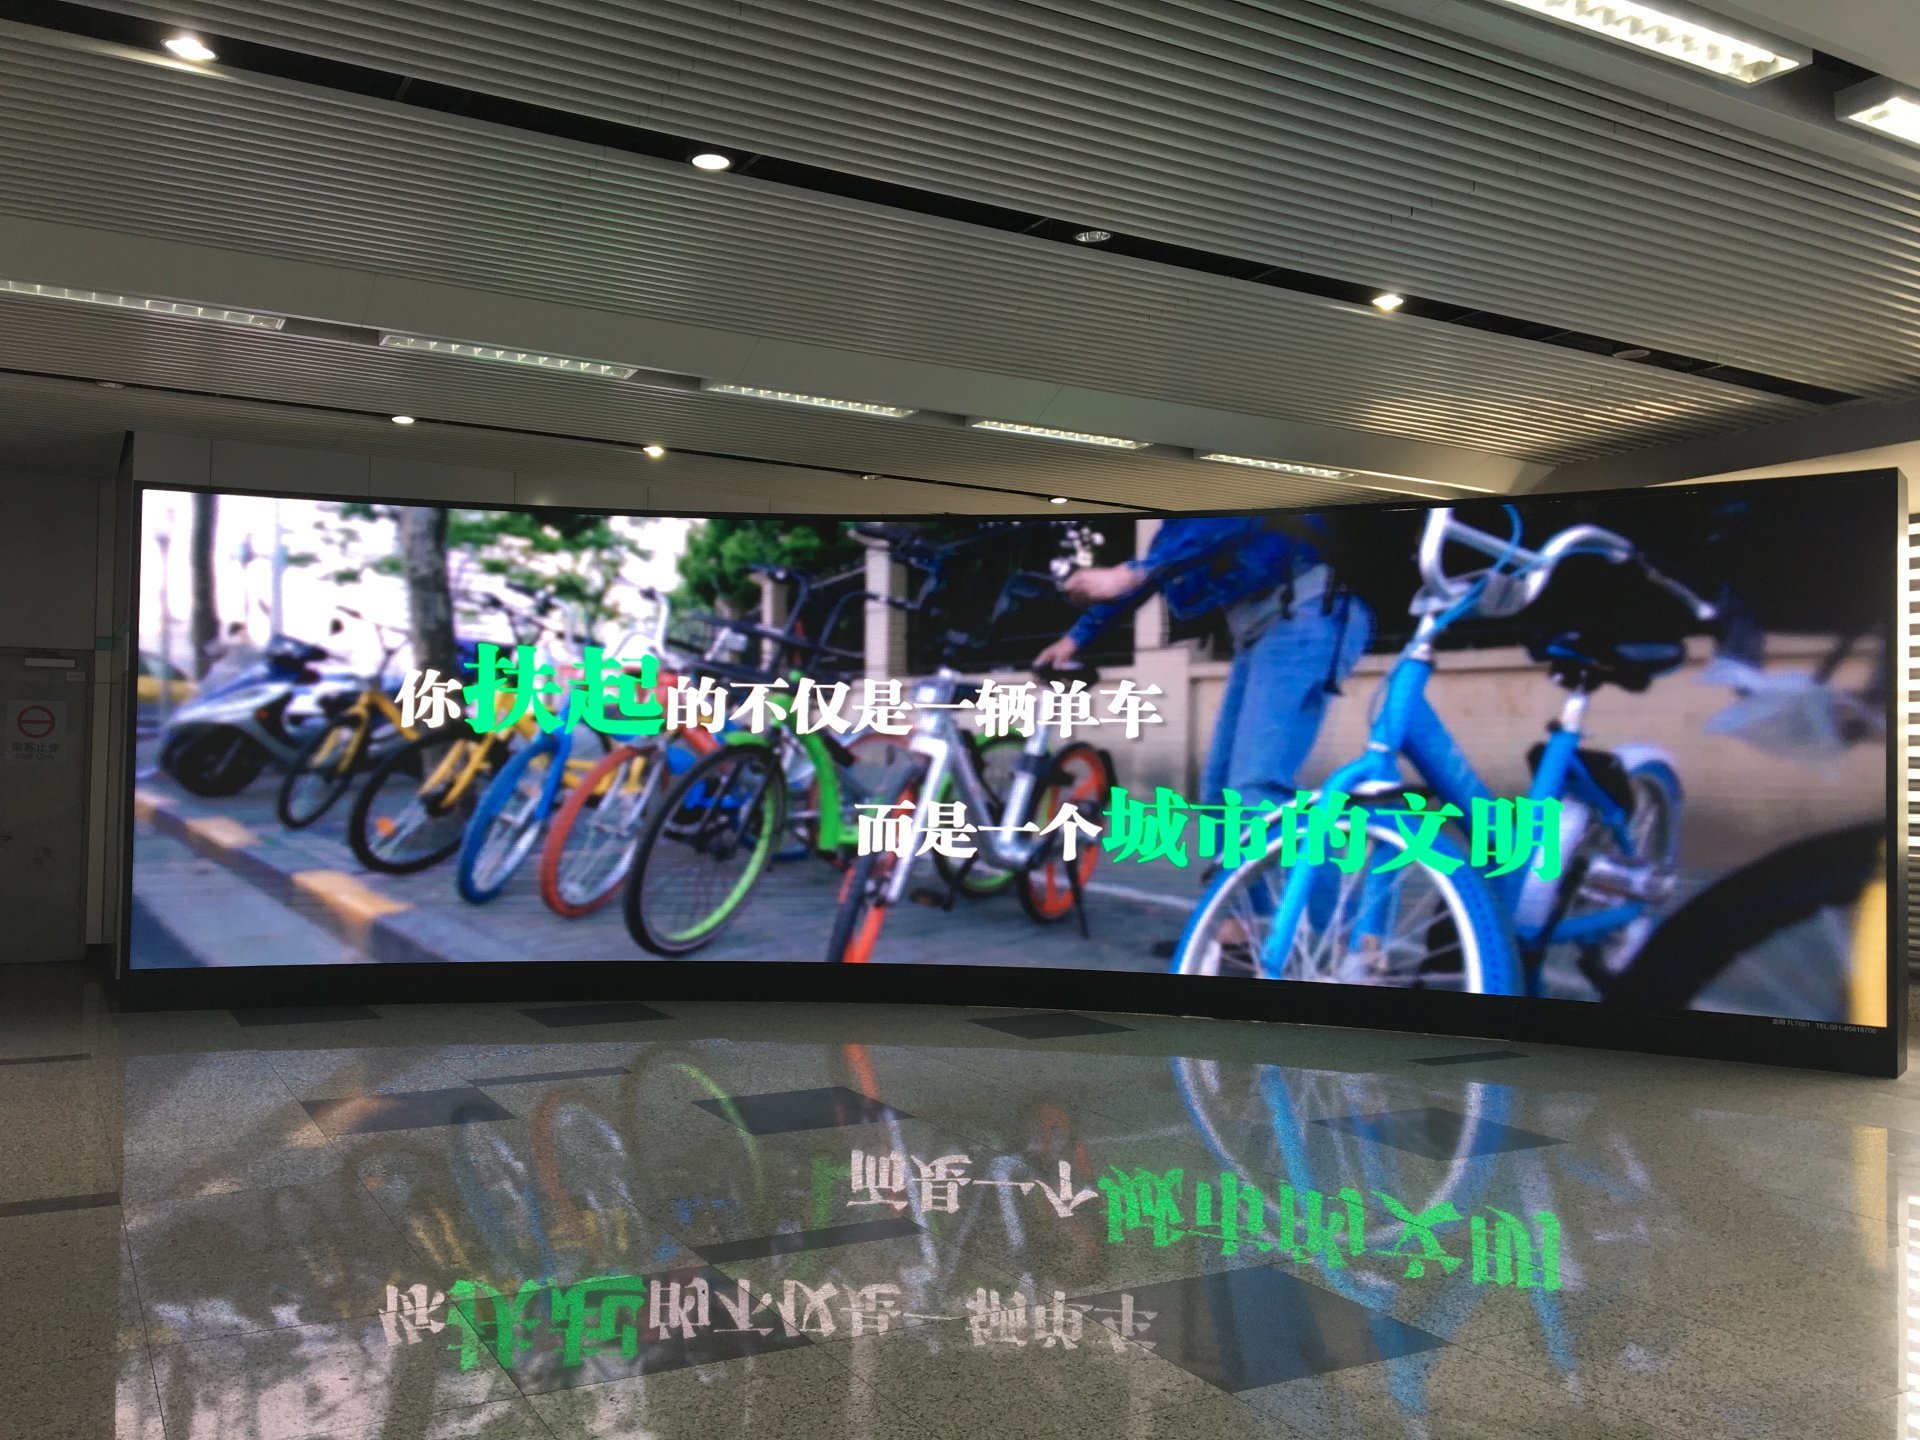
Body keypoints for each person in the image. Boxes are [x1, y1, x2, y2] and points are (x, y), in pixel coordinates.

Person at [1034, 515, 1371, 815]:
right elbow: (1152, 574)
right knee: (1219, 799)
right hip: (1261, 631)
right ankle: (1237, 887)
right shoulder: (1175, 526)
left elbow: (1231, 518)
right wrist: (1074, 639)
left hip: (1307, 616)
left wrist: (1132, 572)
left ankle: (1321, 883)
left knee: (1256, 789)